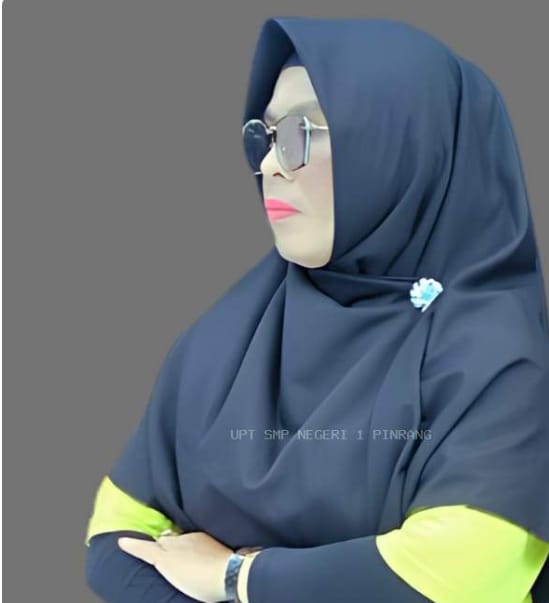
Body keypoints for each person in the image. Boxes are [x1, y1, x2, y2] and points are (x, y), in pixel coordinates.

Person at [85, 16, 549, 603]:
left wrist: (234, 577)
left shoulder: (499, 358)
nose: (269, 165)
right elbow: (112, 541)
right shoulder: (226, 336)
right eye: (266, 136)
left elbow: (458, 577)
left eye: (300, 132)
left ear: (406, 145)